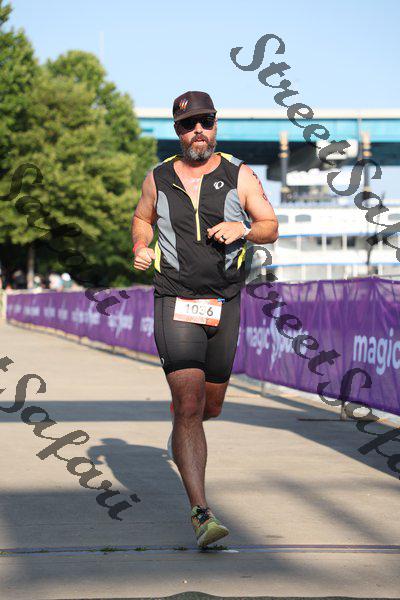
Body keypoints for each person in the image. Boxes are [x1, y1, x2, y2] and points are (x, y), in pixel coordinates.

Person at [132, 90, 278, 548]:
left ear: (215, 125)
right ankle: (201, 513)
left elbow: (271, 226)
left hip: (225, 299)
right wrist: (140, 246)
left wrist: (244, 229)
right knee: (189, 404)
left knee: (209, 406)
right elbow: (142, 218)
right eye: (188, 124)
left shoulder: (239, 174)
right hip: (174, 298)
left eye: (206, 121)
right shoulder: (158, 177)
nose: (198, 130)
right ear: (177, 131)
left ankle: (184, 429)